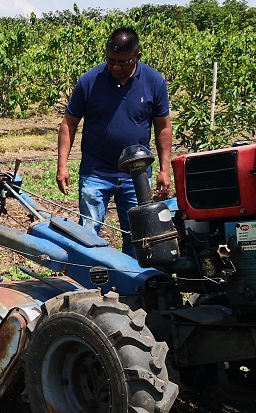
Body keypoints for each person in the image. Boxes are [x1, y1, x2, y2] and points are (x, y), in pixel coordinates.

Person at [56, 27, 173, 255]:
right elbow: (69, 123)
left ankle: (134, 283)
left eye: (123, 62)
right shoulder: (90, 81)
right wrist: (62, 166)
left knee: (139, 236)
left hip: (136, 174)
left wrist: (164, 170)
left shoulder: (154, 81)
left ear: (137, 56)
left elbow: (163, 127)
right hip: (95, 172)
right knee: (88, 234)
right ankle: (90, 281)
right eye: (110, 61)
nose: (115, 67)